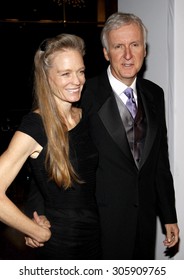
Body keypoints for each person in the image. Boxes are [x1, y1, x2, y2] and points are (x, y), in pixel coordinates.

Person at [79, 12, 179, 259]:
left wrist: (169, 215)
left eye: (134, 45)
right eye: (118, 46)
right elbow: (63, 160)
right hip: (100, 226)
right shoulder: (85, 95)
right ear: (105, 53)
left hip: (144, 223)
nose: (127, 55)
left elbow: (159, 162)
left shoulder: (155, 93)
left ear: (144, 50)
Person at [0, 33, 101, 260]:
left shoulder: (85, 116)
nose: (77, 81)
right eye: (65, 73)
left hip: (95, 238)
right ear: (46, 77)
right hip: (61, 245)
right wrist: (34, 230)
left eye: (81, 71)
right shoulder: (36, 126)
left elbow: (43, 176)